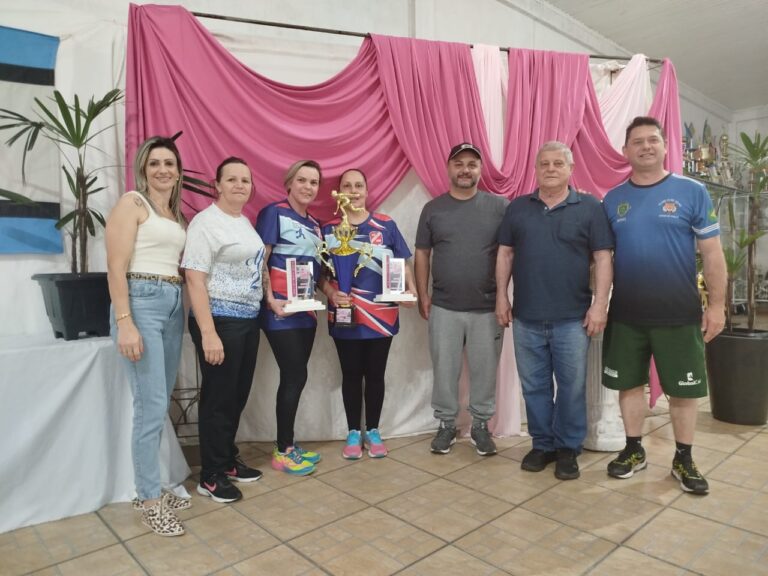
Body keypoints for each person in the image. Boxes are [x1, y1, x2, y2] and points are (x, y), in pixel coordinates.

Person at [602, 116, 726, 495]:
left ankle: (683, 458)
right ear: (626, 150)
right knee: (629, 386)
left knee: (684, 390)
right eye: (637, 141)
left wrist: (717, 306)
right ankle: (633, 449)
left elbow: (712, 253)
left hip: (679, 313)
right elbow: (603, 259)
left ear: (665, 145)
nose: (646, 146)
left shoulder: (691, 191)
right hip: (626, 314)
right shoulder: (612, 200)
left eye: (652, 140)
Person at [495, 141, 614, 480]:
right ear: (535, 169)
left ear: (570, 169)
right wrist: (501, 297)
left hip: (573, 319)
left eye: (558, 163)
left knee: (572, 388)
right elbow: (505, 254)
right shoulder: (518, 208)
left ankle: (567, 448)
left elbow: (603, 257)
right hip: (526, 317)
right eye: (544, 163)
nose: (550, 169)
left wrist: (600, 305)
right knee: (534, 387)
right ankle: (543, 445)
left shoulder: (589, 207)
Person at [106, 136, 188, 537]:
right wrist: (125, 321)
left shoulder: (172, 213)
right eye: (154, 163)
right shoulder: (132, 203)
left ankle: (149, 486)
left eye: (169, 163)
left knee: (159, 402)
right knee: (150, 406)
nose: (162, 170)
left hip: (173, 304)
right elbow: (115, 267)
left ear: (178, 170)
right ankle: (150, 501)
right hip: (141, 302)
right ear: (143, 168)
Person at [415, 142, 509, 456]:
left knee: (485, 371)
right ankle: (446, 425)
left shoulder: (500, 207)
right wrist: (423, 294)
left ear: (480, 169)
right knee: (444, 370)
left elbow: (511, 253)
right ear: (449, 168)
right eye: (459, 164)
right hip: (444, 307)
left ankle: (481, 426)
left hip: (488, 308)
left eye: (472, 164)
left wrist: (504, 298)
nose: (465, 170)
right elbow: (422, 254)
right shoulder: (433, 209)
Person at [182, 157, 265, 503]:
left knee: (237, 395)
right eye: (231, 179)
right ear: (217, 185)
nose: (239, 185)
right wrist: (208, 333)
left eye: (245, 180)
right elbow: (194, 278)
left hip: (247, 319)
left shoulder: (243, 222)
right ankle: (211, 475)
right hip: (219, 320)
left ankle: (227, 460)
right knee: (218, 399)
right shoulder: (205, 223)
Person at [319, 169, 416, 459]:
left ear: (367, 190)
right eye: (347, 186)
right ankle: (353, 432)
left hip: (381, 315)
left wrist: (411, 291)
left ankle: (373, 430)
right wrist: (331, 293)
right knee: (350, 374)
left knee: (375, 374)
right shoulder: (329, 230)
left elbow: (403, 262)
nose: (353, 191)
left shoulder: (385, 225)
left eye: (358, 185)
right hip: (344, 313)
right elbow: (319, 274)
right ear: (339, 192)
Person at [255, 160, 324, 475]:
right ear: (290, 183)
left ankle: (289, 444)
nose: (308, 187)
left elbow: (318, 270)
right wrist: (270, 300)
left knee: (296, 376)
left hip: (306, 311)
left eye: (314, 182)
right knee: (294, 375)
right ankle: (282, 451)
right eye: (302, 180)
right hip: (279, 311)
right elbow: (261, 260)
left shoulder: (316, 225)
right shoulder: (274, 213)